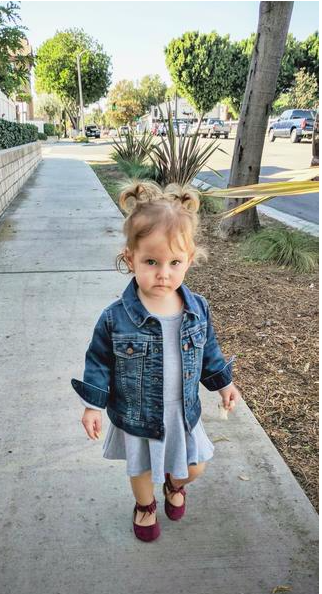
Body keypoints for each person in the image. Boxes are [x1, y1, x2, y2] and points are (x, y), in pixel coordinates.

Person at [71, 180, 242, 542]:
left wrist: (224, 383)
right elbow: (98, 362)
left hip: (183, 411)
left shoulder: (197, 310)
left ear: (189, 260)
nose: (163, 272)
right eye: (151, 261)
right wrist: (92, 406)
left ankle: (176, 482)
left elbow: (209, 351)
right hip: (137, 412)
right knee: (141, 467)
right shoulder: (115, 317)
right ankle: (145, 505)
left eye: (174, 262)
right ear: (130, 258)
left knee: (196, 466)